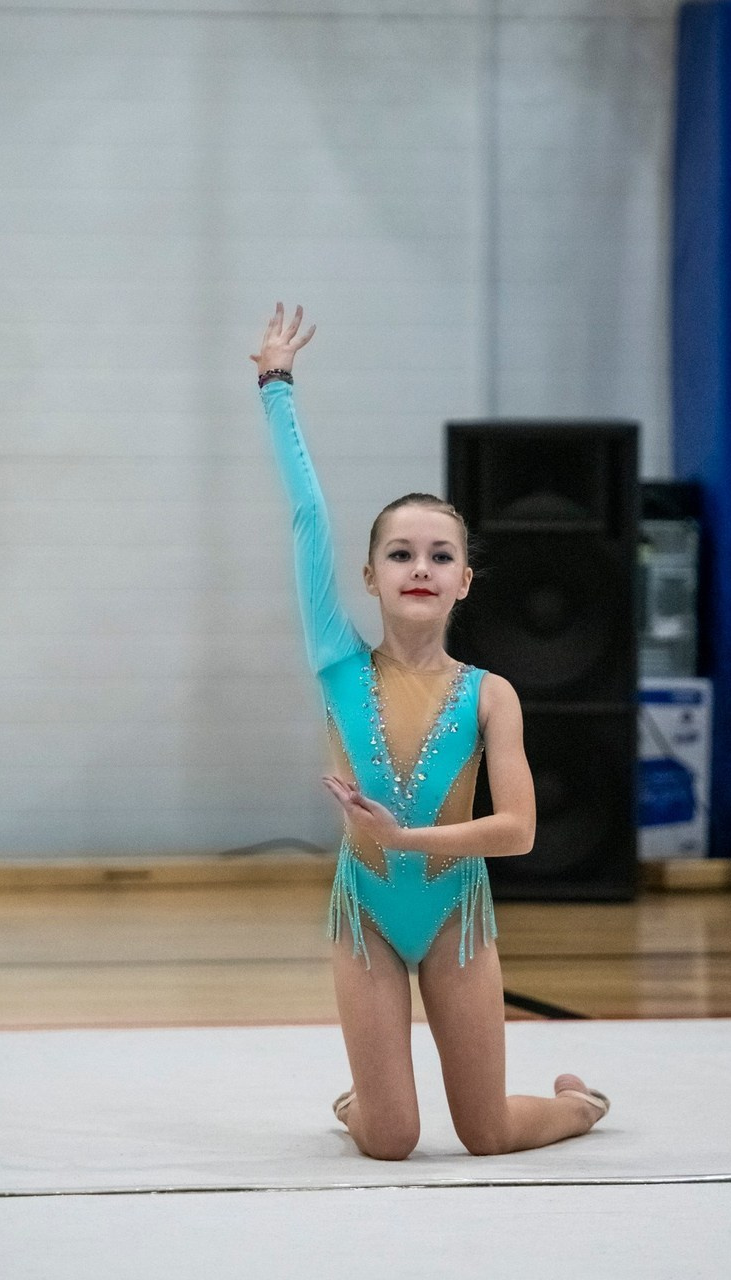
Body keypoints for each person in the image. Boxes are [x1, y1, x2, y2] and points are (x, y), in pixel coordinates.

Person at [252, 303, 609, 1161]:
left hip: (457, 915)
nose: (421, 568)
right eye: (402, 554)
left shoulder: (492, 694)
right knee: (392, 1140)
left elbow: (519, 831)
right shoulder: (339, 667)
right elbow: (307, 518)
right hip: (365, 915)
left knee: (485, 1135)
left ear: (465, 583)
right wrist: (275, 385)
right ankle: (364, 1102)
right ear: (370, 576)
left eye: (441, 555)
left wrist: (405, 834)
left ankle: (580, 1103)